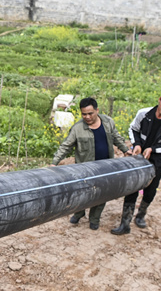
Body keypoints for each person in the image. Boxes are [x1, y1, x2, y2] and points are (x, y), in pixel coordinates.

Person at [50, 97, 130, 230]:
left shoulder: (108, 122)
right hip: (85, 169)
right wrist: (54, 163)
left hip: (105, 167)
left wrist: (126, 150)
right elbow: (66, 146)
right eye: (84, 114)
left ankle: (94, 218)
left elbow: (116, 138)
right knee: (82, 193)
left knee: (102, 193)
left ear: (97, 110)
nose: (87, 117)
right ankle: (79, 212)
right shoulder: (77, 128)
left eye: (90, 113)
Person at [111, 89, 161, 235]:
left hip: (157, 160)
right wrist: (137, 144)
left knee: (151, 189)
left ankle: (141, 214)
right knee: (132, 187)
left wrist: (153, 149)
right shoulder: (143, 114)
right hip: (138, 156)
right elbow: (133, 129)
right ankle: (125, 223)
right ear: (159, 99)